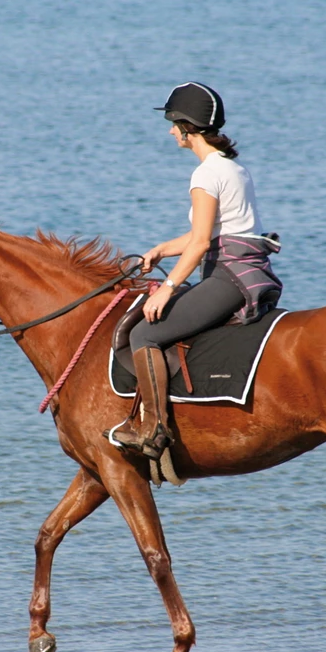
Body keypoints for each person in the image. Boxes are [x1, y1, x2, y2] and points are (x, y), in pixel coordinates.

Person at [108, 82, 283, 459]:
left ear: (188, 127)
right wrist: (159, 250)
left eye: (173, 124)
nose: (171, 131)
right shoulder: (233, 168)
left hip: (228, 276)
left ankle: (152, 429)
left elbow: (203, 242)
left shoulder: (204, 175)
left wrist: (169, 287)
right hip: (246, 268)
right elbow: (212, 233)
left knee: (144, 335)